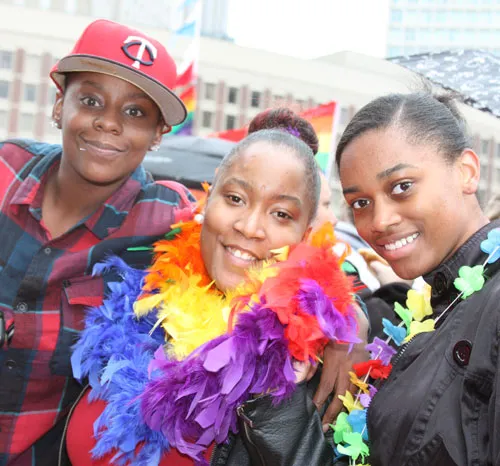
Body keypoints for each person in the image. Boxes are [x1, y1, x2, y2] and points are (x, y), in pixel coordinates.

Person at [64, 128, 364, 465]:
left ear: (305, 235)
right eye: (235, 198)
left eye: (281, 214)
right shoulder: (146, 297)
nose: (249, 227)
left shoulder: (317, 364)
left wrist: (274, 403)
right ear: (208, 200)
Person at [0, 19, 194, 466]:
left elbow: (267, 260)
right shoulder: (6, 168)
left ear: (158, 134)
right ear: (59, 106)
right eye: (90, 101)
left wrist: (345, 333)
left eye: (135, 112)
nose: (108, 122)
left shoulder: (170, 219)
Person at [336, 91, 498, 465]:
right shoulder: (434, 304)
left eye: (402, 187)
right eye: (360, 203)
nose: (379, 221)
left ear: (466, 172)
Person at [247, 107, 370, 426]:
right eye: (324, 205)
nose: (333, 218)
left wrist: (350, 319)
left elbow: (348, 289)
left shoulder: (329, 287)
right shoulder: (213, 268)